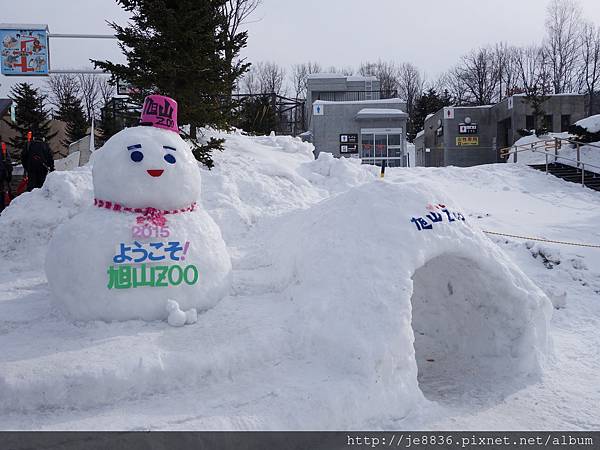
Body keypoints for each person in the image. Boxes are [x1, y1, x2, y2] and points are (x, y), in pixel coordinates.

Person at [0, 136, 13, 213]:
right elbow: (8, 161)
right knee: (1, 191)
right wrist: (9, 173)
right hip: (2, 172)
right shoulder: (3, 146)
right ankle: (1, 209)